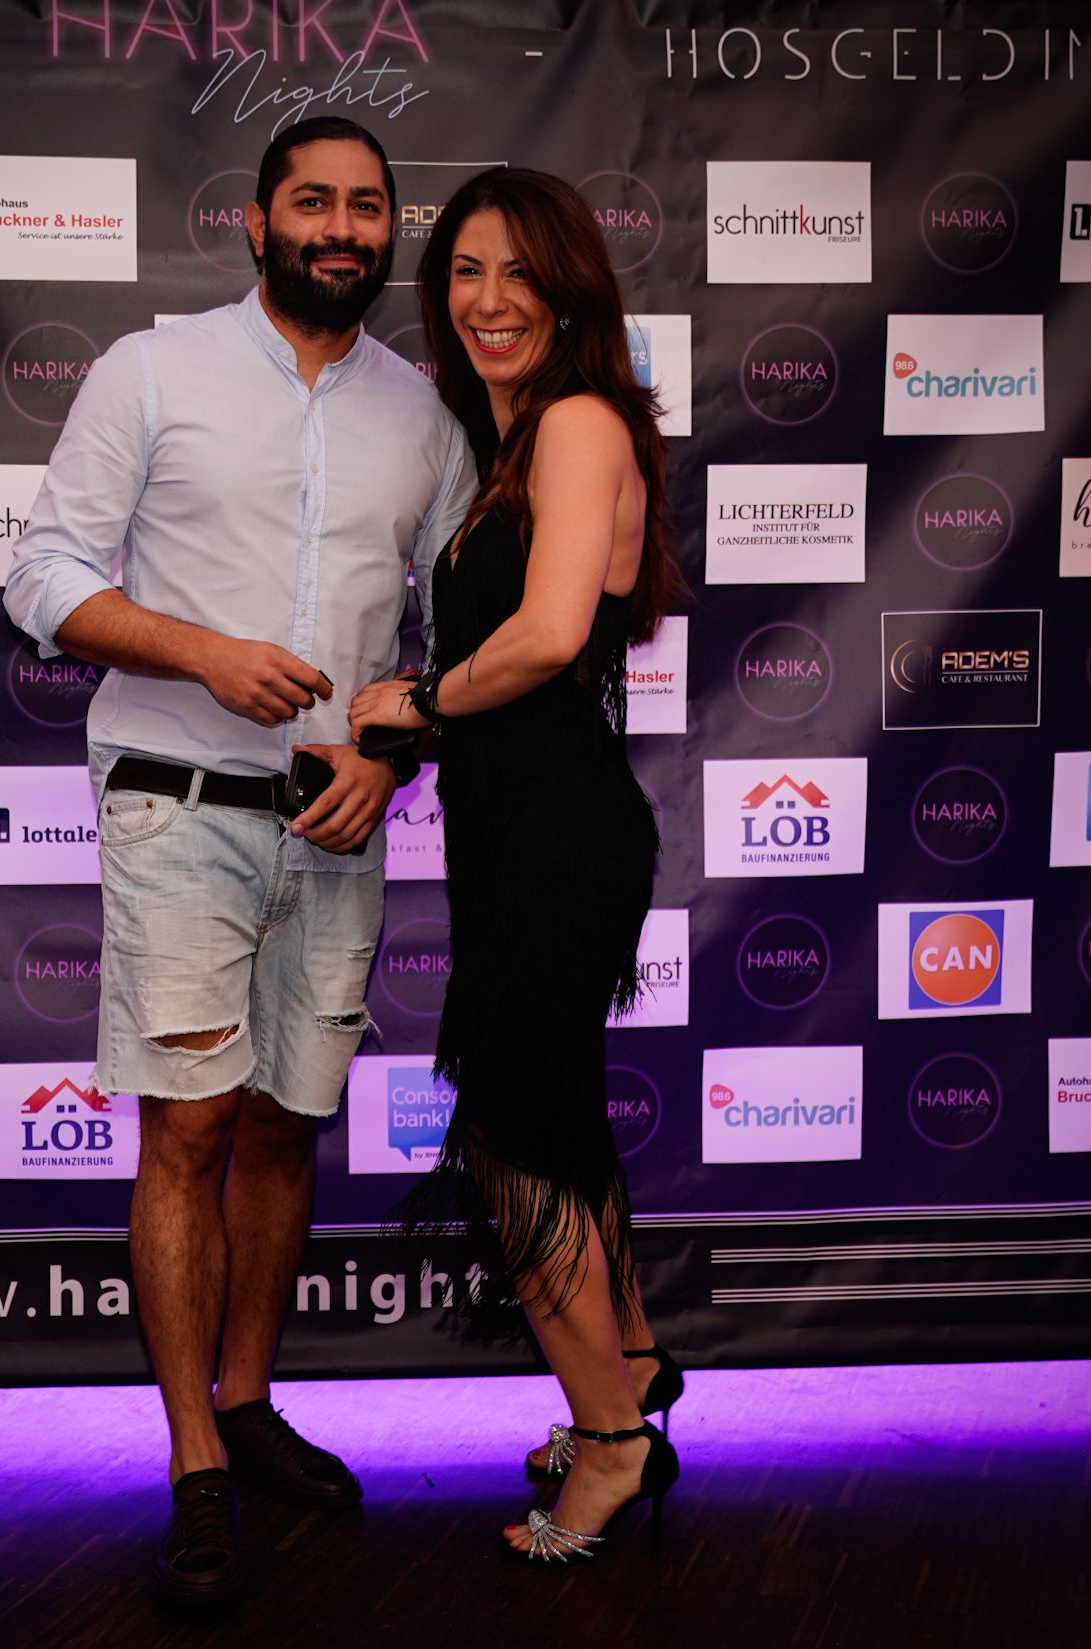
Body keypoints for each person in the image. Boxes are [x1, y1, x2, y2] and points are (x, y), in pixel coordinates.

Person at [3, 116, 475, 1605]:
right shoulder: (153, 370)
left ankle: (250, 1401)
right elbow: (43, 577)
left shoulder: (426, 415)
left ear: (389, 230)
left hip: (339, 819)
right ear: (256, 223)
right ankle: (194, 1460)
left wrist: (393, 757)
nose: (342, 227)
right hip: (176, 803)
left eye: (367, 207)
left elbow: (459, 632)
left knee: (283, 1128)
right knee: (190, 1131)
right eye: (312, 202)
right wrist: (201, 652)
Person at [349, 167, 686, 1564]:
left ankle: (609, 1442)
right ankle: (635, 1374)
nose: (489, 301)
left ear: (570, 288)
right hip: (517, 831)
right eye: (466, 272)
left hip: (556, 834)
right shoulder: (510, 441)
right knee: (555, 1122)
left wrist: (417, 700)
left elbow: (547, 636)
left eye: (519, 273)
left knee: (513, 1139)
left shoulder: (578, 422)